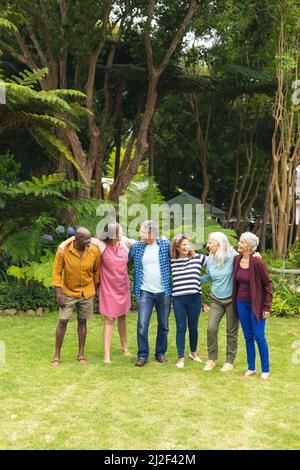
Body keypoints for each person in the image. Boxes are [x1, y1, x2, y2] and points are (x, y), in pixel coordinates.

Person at [58, 224, 135, 363]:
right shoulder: (100, 244)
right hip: (108, 288)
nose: (122, 233)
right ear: (112, 234)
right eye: (120, 231)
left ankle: (125, 347)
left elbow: (144, 241)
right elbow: (78, 238)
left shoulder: (125, 242)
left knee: (122, 317)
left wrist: (162, 238)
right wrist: (64, 243)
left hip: (123, 287)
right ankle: (107, 355)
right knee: (109, 319)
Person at [52, 227, 100, 366]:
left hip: (87, 292)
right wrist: (59, 294)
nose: (89, 241)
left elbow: (97, 272)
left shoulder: (94, 250)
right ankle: (56, 355)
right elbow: (56, 273)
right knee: (62, 321)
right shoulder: (63, 250)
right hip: (68, 292)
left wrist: (95, 291)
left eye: (90, 238)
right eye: (86, 239)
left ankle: (81, 354)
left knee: (82, 322)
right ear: (76, 239)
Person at [129, 220, 172, 366]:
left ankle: (160, 353)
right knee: (142, 323)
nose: (140, 233)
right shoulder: (138, 247)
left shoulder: (166, 245)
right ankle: (142, 355)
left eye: (143, 231)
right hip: (145, 291)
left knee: (164, 324)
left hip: (163, 291)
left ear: (152, 233)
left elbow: (182, 250)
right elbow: (124, 258)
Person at [232, 232, 272, 380]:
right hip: (241, 303)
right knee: (248, 336)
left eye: (241, 242)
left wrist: (267, 307)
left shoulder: (258, 263)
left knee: (259, 336)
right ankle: (251, 368)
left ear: (248, 246)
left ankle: (265, 370)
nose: (239, 244)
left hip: (257, 305)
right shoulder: (236, 259)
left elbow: (268, 284)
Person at [200, 232, 239, 372]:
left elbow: (247, 262)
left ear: (219, 244)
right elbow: (210, 276)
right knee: (211, 328)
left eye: (210, 242)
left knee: (231, 331)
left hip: (231, 300)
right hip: (216, 299)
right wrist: (195, 281)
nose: (208, 245)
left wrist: (256, 256)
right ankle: (211, 359)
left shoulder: (234, 256)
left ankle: (229, 361)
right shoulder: (210, 259)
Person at [170, 234, 206, 368]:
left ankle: (193, 353)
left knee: (193, 327)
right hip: (178, 299)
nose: (187, 246)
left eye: (188, 244)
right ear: (177, 248)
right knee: (181, 327)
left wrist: (204, 279)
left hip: (194, 298)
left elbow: (215, 263)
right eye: (184, 245)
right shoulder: (172, 261)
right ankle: (181, 357)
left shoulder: (198, 258)